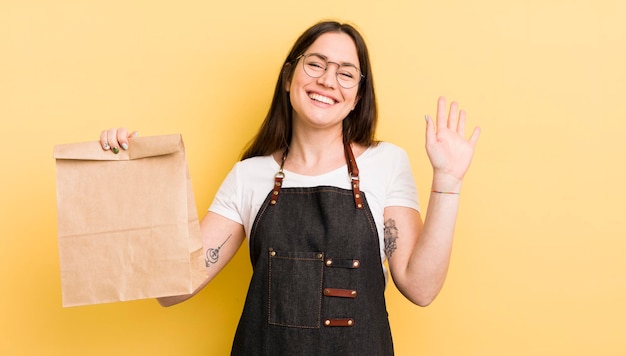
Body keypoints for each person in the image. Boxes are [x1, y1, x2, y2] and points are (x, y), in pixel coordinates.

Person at [100, 20, 480, 355]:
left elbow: (420, 288)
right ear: (288, 78)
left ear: (357, 97)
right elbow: (171, 291)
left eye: (346, 73)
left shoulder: (386, 163)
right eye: (315, 64)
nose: (328, 80)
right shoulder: (249, 176)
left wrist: (448, 182)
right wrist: (133, 179)